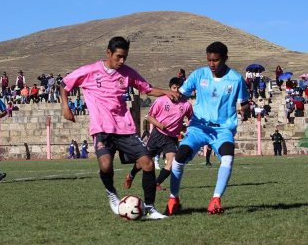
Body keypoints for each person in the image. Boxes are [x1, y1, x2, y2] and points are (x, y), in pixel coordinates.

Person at [60, 36, 179, 219]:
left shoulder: (128, 73)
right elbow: (64, 84)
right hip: (101, 128)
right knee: (106, 165)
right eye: (118, 57)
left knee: (147, 163)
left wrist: (165, 92)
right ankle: (111, 193)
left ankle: (150, 208)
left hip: (125, 128)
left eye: (125, 57)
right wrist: (65, 107)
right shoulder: (90, 71)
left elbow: (146, 89)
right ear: (109, 53)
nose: (122, 61)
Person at [165, 41, 250, 216]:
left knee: (228, 156)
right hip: (198, 128)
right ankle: (173, 198)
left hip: (222, 129)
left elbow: (245, 102)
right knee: (179, 158)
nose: (212, 64)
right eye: (209, 60)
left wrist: (245, 110)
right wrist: (172, 99)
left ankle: (215, 199)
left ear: (225, 58)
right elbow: (182, 93)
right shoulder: (199, 75)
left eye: (216, 60)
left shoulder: (236, 79)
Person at [123, 77, 193, 191]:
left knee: (173, 162)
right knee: (144, 161)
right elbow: (149, 117)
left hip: (171, 138)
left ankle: (156, 183)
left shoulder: (186, 105)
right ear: (170, 88)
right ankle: (131, 175)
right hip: (158, 135)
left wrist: (188, 125)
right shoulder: (161, 100)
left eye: (179, 88)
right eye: (174, 88)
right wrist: (160, 125)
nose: (176, 90)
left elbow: (192, 119)